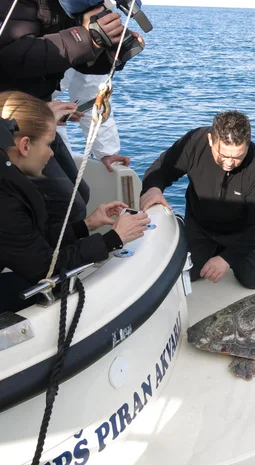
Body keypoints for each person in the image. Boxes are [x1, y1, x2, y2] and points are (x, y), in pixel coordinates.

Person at [0, 91, 150, 313]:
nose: (51, 154)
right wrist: (114, 239)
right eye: (49, 144)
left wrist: (86, 225)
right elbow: (45, 269)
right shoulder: (7, 202)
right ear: (25, 146)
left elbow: (29, 246)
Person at [0, 0, 143, 224]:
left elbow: (83, 71)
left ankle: (58, 254)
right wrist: (87, 38)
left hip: (40, 113)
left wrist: (107, 51)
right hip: (12, 122)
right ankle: (47, 257)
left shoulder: (72, 4)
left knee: (81, 195)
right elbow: (11, 55)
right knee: (65, 204)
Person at [140, 111, 255, 289]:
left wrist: (226, 258)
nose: (229, 163)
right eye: (223, 155)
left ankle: (221, 252)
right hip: (201, 225)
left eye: (237, 157)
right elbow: (162, 168)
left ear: (247, 146)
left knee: (254, 281)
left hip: (240, 233)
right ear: (210, 140)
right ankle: (183, 230)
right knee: (189, 274)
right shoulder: (195, 142)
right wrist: (154, 188)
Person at [54, 69, 131, 172]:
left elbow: (93, 99)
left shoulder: (84, 55)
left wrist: (107, 152)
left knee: (68, 182)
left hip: (47, 130)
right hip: (37, 126)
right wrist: (46, 111)